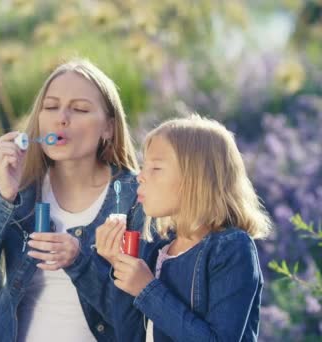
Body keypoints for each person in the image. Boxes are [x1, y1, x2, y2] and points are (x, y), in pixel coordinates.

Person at [0, 59, 146, 341]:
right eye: (51, 107)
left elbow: (136, 317)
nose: (61, 118)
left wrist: (79, 261)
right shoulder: (21, 190)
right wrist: (5, 196)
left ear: (109, 128)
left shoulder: (134, 197)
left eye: (79, 109)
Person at [96, 115, 272, 341]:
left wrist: (146, 289)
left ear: (196, 179)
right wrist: (119, 267)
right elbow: (128, 335)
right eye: (142, 166)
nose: (140, 176)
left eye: (156, 168)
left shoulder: (230, 248)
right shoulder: (156, 249)